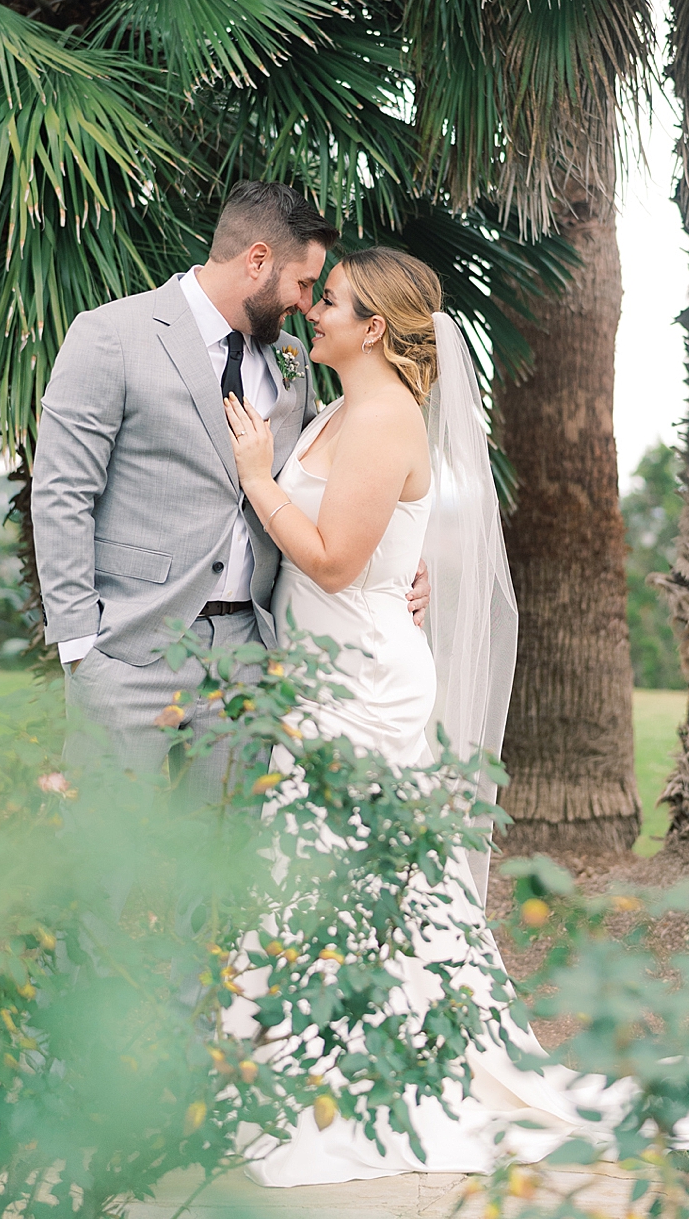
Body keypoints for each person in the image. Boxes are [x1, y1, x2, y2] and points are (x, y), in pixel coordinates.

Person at [222, 246, 689, 1183]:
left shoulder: (384, 416)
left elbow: (337, 560)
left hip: (362, 685)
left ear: (374, 327)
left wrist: (258, 477)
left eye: (332, 301)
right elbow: (380, 550)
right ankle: (295, 1060)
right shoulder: (345, 406)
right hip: (328, 669)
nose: (314, 310)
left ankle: (373, 1075)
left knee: (363, 876)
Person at [30, 183, 430, 800]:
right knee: (99, 863)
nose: (305, 305)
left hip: (251, 653)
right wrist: (82, 647)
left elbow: (337, 480)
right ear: (258, 260)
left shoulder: (296, 359)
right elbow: (62, 493)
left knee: (222, 872)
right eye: (304, 285)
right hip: (130, 649)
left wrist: (401, 558)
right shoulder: (113, 334)